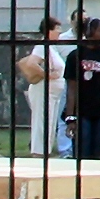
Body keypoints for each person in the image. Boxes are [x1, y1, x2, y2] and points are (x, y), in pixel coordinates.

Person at [64, 15, 100, 160]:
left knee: (97, 153)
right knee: (83, 152)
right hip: (83, 112)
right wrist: (70, 116)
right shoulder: (76, 56)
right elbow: (71, 88)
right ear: (89, 32)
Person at [15, 16, 67, 158]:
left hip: (54, 93)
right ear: (49, 30)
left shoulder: (52, 48)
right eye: (57, 29)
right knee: (42, 121)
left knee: (50, 123)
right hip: (44, 90)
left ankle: (46, 150)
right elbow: (32, 63)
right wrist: (47, 75)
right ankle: (38, 152)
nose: (59, 32)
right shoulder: (41, 46)